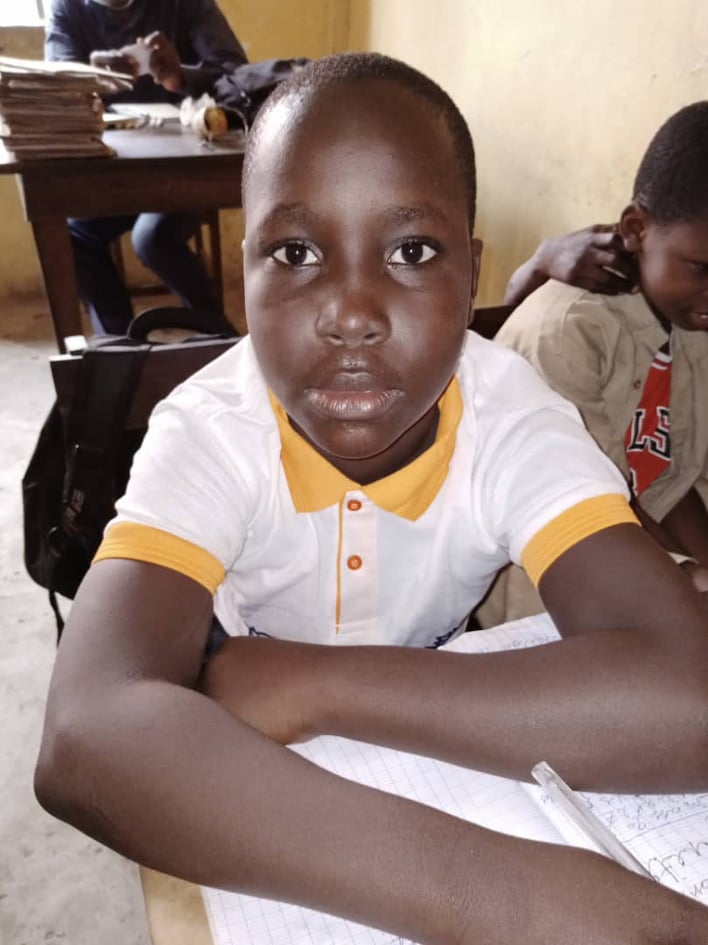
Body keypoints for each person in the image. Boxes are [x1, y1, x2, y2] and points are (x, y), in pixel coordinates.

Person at [34, 54, 708, 945]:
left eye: (411, 252)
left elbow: (690, 695)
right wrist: (507, 898)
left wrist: (317, 683)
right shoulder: (212, 428)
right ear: (244, 272)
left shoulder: (512, 418)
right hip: (233, 719)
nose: (351, 312)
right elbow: (86, 732)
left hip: (332, 688)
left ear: (472, 273)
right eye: (296, 252)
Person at [497, 103, 708, 587]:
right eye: (702, 268)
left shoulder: (683, 314)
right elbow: (589, 509)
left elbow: (667, 479)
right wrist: (688, 580)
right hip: (550, 563)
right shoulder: (568, 333)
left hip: (637, 526)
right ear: (635, 230)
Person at [45, 0, 248, 335]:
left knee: (153, 239)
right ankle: (121, 343)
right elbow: (57, 89)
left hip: (185, 168)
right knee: (73, 235)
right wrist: (92, 76)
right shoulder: (68, 9)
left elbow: (237, 75)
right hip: (111, 171)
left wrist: (179, 77)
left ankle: (217, 332)